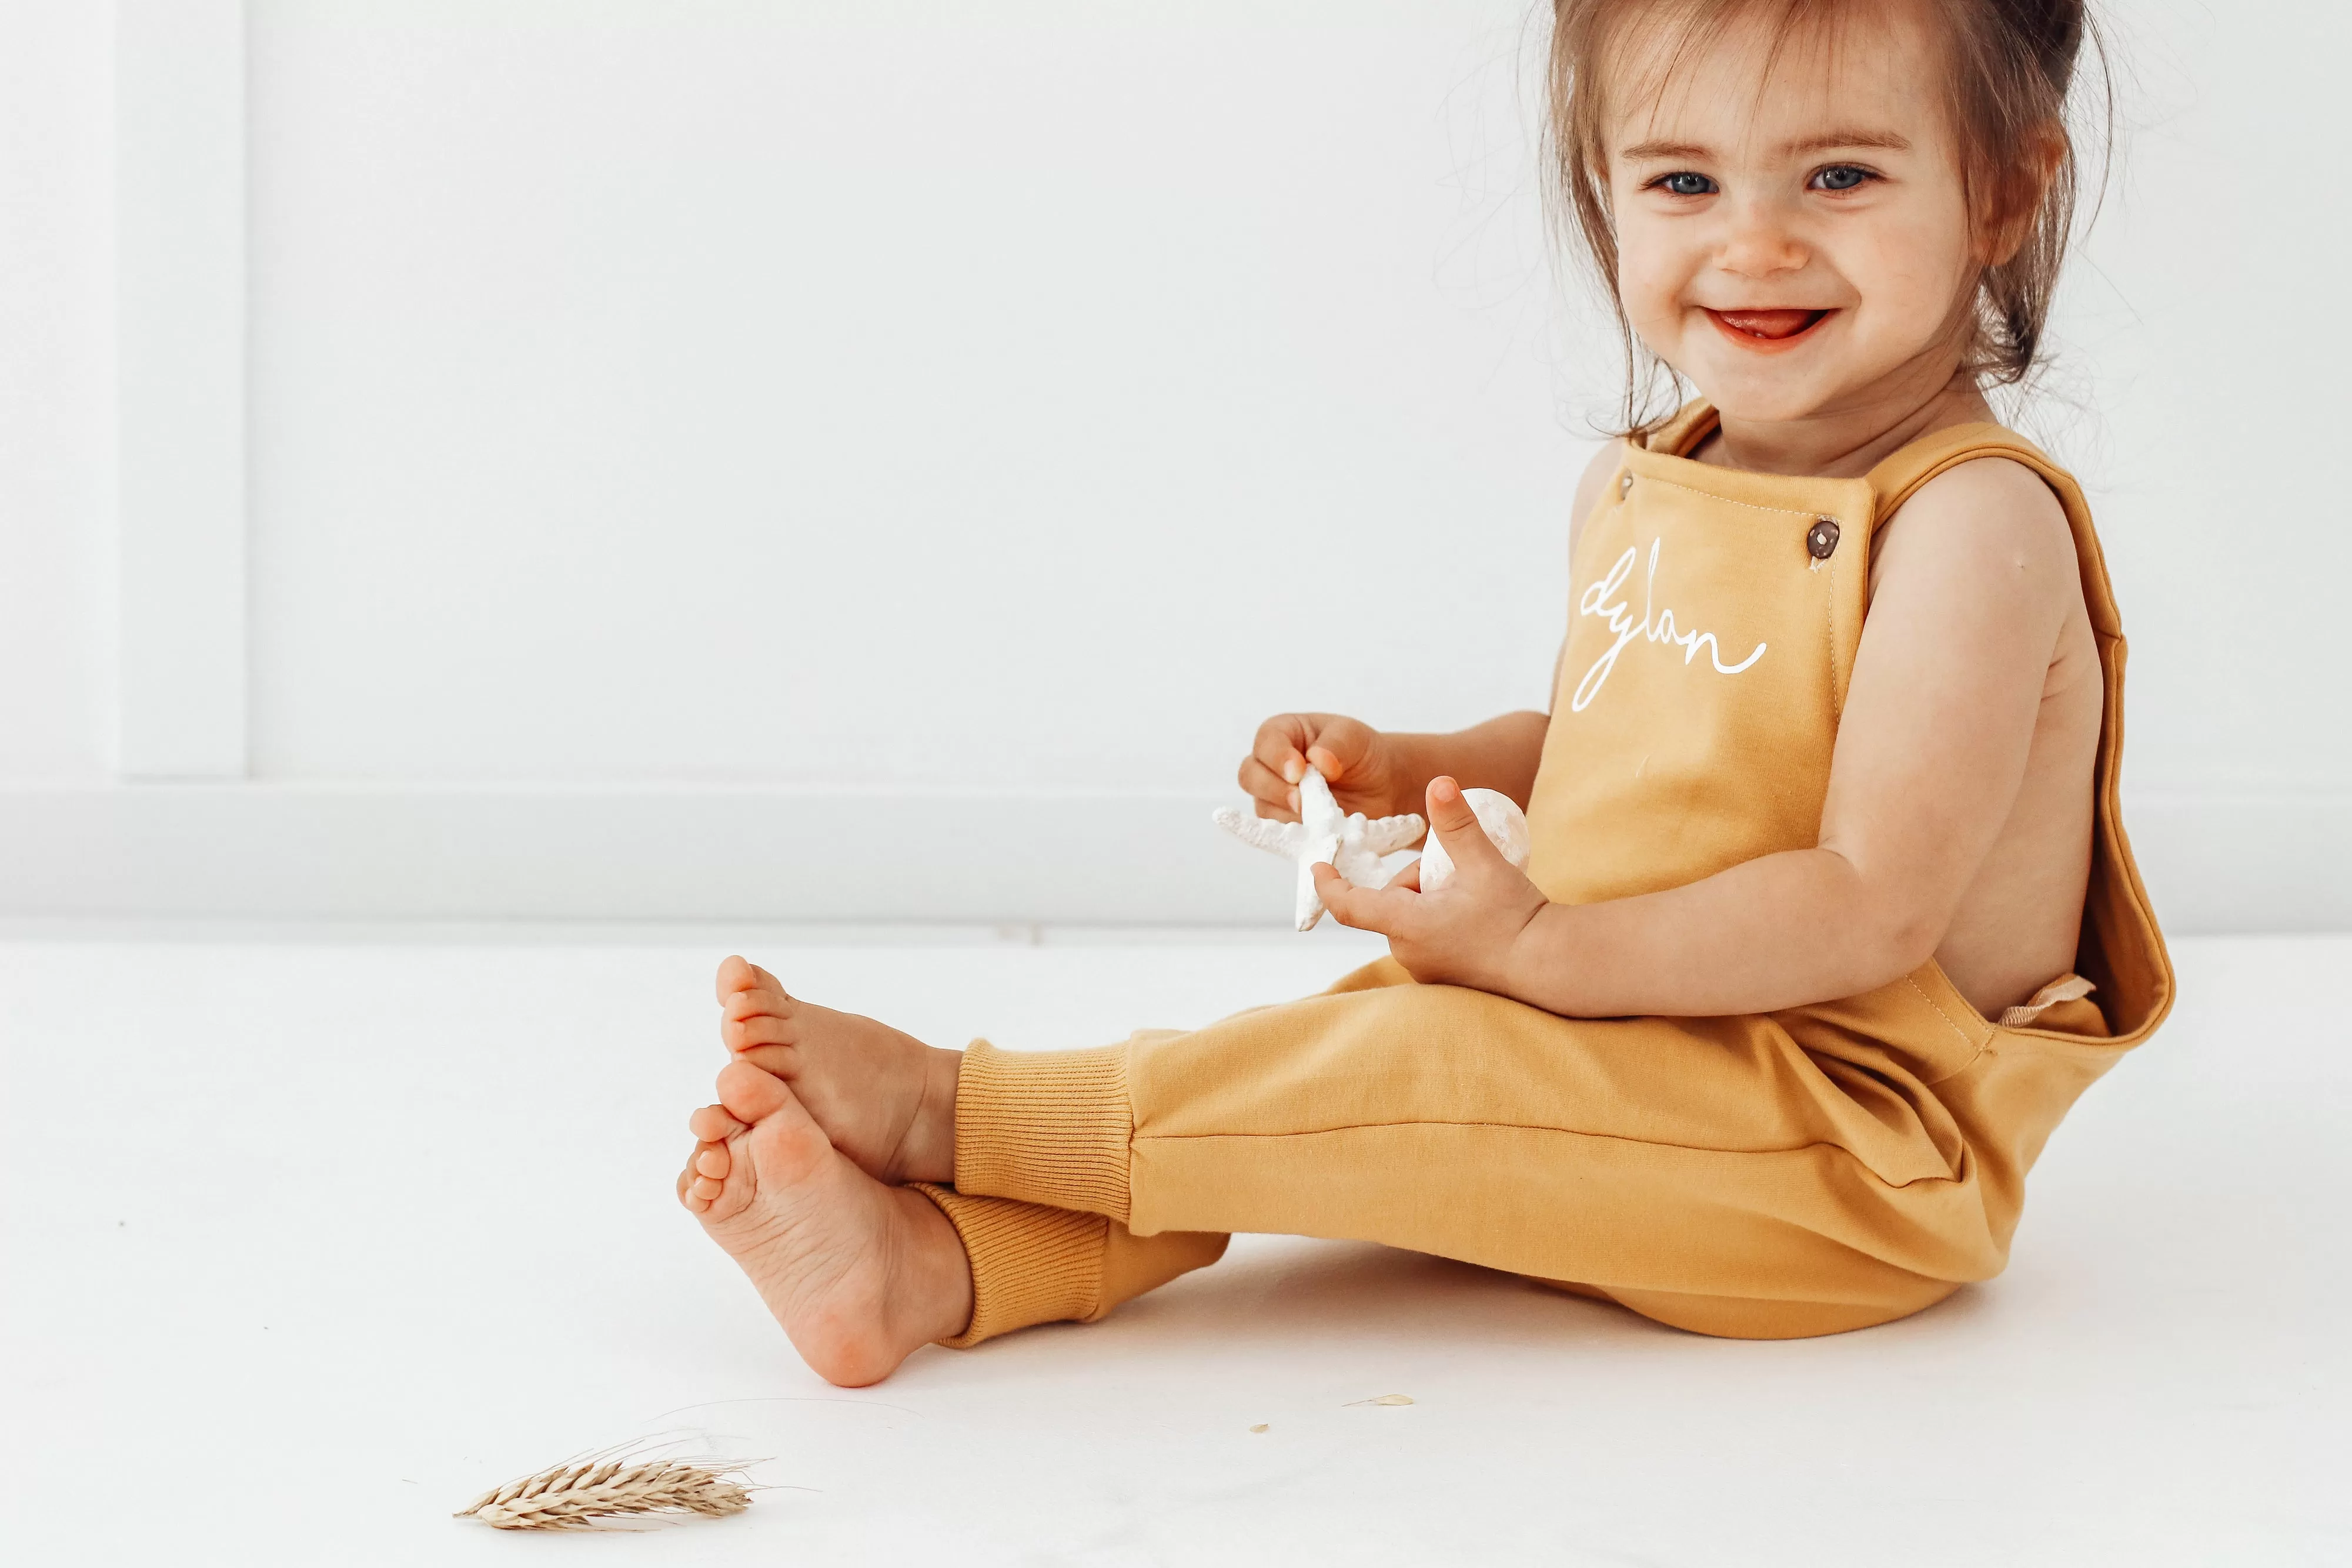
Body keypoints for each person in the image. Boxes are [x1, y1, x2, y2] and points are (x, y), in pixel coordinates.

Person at [675, 0, 2173, 1387]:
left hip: (1845, 1142)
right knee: (1322, 1073)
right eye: (1681, 183)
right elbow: (1619, 757)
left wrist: (1538, 949)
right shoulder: (1646, 480)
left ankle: (958, 1110)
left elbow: (1867, 901)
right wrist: (1424, 767)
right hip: (1635, 1033)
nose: (1754, 244)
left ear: (1997, 191)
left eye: (1838, 176)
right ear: (1601, 191)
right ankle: (941, 1265)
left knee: (1411, 1066)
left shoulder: (1968, 524)